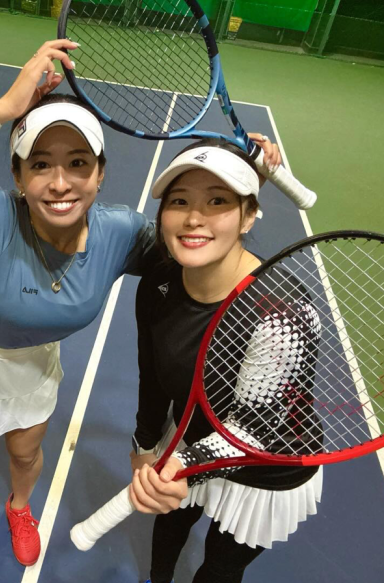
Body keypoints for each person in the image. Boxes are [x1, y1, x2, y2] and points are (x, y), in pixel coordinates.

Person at [0, 39, 284, 581]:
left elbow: (198, 240)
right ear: (19, 177)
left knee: (24, 454)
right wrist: (3, 109)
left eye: (78, 164)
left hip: (32, 367)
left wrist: (238, 178)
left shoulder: (121, 234)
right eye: (40, 164)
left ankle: (19, 508)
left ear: (100, 174)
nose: (60, 182)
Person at [127, 140, 321, 583]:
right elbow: (151, 376)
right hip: (193, 435)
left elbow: (255, 427)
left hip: (267, 463)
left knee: (221, 567)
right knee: (169, 525)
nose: (194, 218)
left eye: (218, 201)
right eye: (179, 201)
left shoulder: (282, 312)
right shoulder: (159, 280)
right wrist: (144, 446)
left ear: (249, 215)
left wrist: (181, 467)